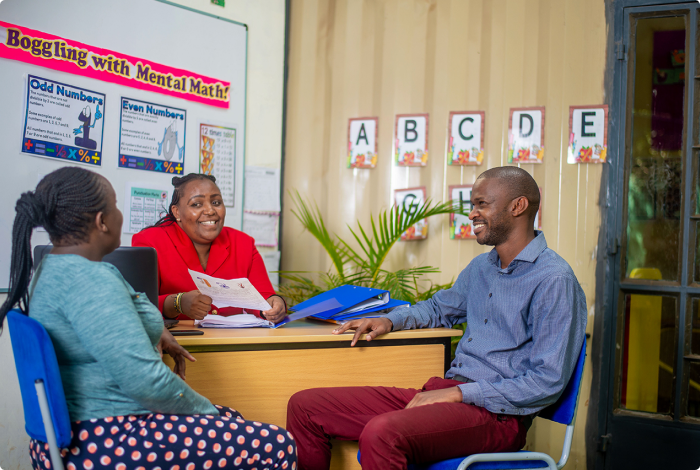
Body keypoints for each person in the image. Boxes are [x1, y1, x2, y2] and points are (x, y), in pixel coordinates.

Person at [286, 167, 587, 470]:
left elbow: (546, 381)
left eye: (482, 204)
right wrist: (390, 320)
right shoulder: (481, 267)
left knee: (382, 434)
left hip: (497, 416)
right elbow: (438, 309)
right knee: (306, 407)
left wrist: (459, 393)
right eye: (473, 205)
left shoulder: (554, 280)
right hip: (447, 394)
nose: (472, 214)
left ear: (517, 206)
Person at [0, 167, 296, 470]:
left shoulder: (54, 271)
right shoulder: (91, 281)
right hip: (105, 437)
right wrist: (208, 412)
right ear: (102, 222)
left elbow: (121, 314)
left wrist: (157, 332)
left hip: (78, 430)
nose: (120, 215)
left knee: (233, 420)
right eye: (115, 206)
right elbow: (148, 385)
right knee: (278, 444)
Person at [132, 173, 287, 322]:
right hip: (174, 343)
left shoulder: (243, 243)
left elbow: (264, 297)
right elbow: (136, 304)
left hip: (231, 342)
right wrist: (177, 303)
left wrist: (275, 304)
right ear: (177, 212)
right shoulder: (150, 241)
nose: (210, 211)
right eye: (197, 204)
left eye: (216, 203)